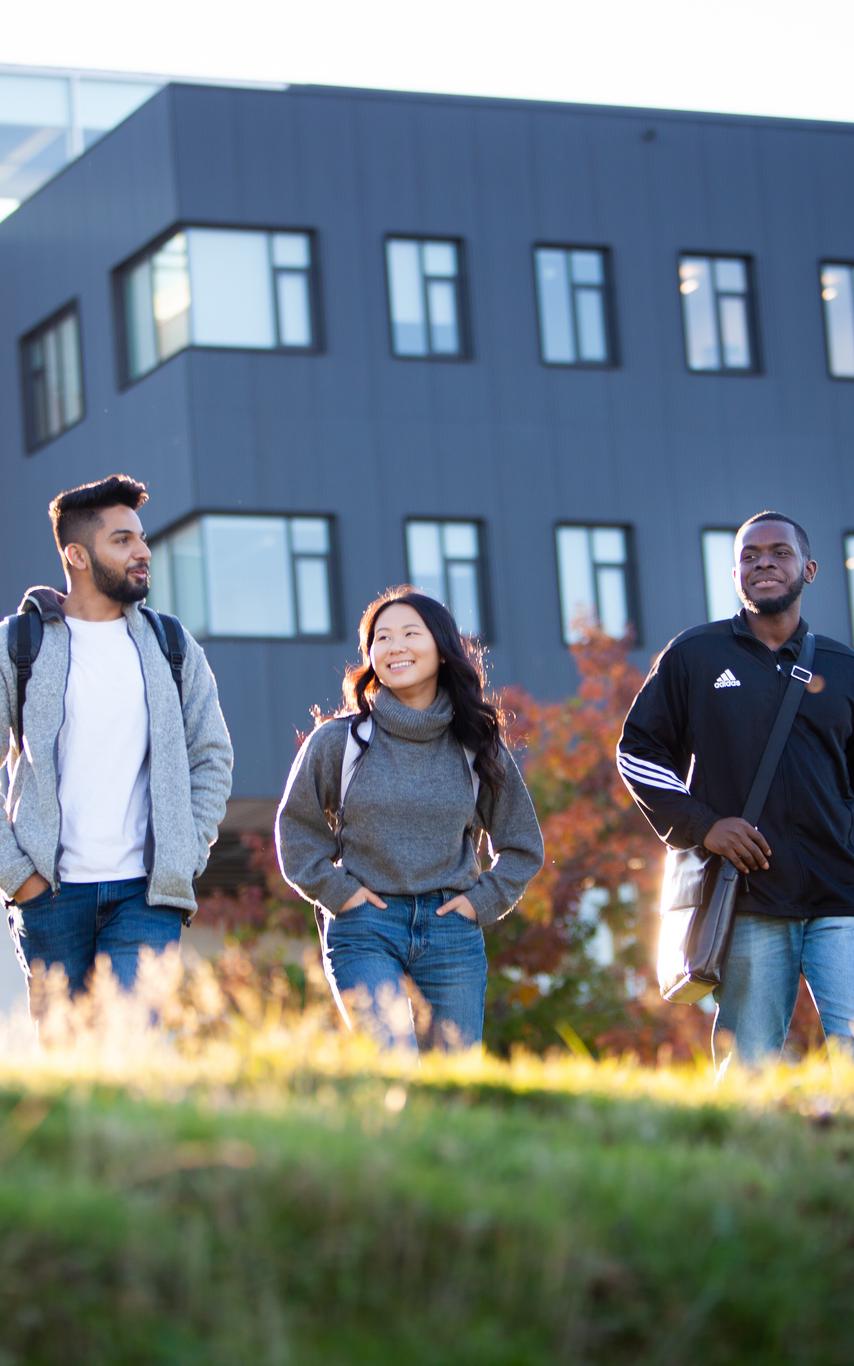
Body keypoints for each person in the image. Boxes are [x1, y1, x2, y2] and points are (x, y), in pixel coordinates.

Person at [617, 510, 854, 1067]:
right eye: (749, 556)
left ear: (810, 570)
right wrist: (704, 827)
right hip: (748, 900)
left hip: (843, 896)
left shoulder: (844, 667)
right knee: (750, 1065)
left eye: (779, 552)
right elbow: (638, 751)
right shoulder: (694, 656)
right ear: (735, 573)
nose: (764, 563)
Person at [276, 586, 544, 1051]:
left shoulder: (476, 746)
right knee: (388, 1063)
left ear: (442, 649)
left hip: (451, 930)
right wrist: (338, 893)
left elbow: (521, 844)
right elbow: (296, 829)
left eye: (409, 633)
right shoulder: (340, 741)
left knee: (453, 1079)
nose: (394, 646)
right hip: (364, 925)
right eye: (382, 637)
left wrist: (480, 903)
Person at [0, 474, 233, 1008]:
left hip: (146, 896)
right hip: (49, 898)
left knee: (135, 1048)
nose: (142, 552)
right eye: (122, 540)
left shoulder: (171, 643)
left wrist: (186, 849)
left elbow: (212, 755)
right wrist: (18, 877)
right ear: (78, 556)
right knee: (69, 1060)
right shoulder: (18, 644)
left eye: (141, 538)